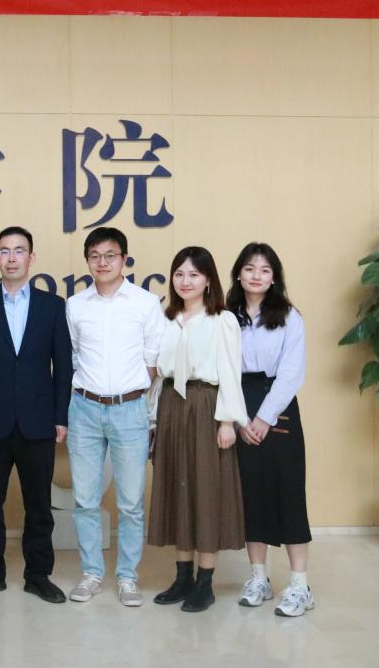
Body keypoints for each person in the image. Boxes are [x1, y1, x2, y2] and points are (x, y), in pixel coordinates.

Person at [0, 226, 72, 605]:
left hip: (38, 421)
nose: (12, 258)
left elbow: (63, 367)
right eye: (5, 251)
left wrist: (61, 416)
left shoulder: (52, 306)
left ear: (32, 258)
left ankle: (38, 576)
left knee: (38, 505)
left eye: (19, 250)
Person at [64, 227, 164, 607]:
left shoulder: (145, 303)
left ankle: (127, 577)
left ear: (124, 259)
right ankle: (92, 573)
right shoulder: (76, 305)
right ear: (87, 260)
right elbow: (74, 356)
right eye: (95, 255)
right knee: (85, 499)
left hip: (130, 409)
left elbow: (153, 360)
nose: (102, 262)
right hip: (84, 409)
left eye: (110, 255)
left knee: (131, 502)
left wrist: (130, 395)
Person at [148, 245, 248, 612]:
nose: (185, 281)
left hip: (206, 405)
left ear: (208, 280)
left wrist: (227, 421)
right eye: (179, 274)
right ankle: (182, 577)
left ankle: (205, 582)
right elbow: (158, 376)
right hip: (171, 407)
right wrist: (153, 420)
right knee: (177, 488)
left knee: (206, 490)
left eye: (193, 274)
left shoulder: (222, 320)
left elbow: (230, 372)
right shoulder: (166, 319)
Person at [227, 243, 314, 617]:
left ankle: (300, 585)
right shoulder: (227, 317)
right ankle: (259, 578)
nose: (256, 275)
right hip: (238, 403)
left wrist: (263, 418)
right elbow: (223, 371)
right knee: (252, 494)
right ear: (239, 273)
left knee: (288, 492)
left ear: (274, 276)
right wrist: (238, 418)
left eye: (264, 270)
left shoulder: (290, 317)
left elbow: (291, 373)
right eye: (249, 268)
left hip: (278, 406)